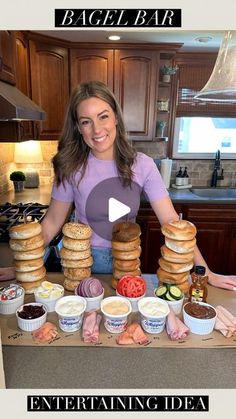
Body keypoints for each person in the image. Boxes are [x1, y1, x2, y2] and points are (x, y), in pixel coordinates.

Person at [0, 80, 236, 291]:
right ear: (78, 127)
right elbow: (51, 223)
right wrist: (25, 266)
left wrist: (205, 272)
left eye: (103, 116)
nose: (97, 129)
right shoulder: (70, 166)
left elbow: (173, 224)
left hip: (125, 262)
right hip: (79, 264)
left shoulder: (142, 165)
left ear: (115, 117)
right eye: (86, 121)